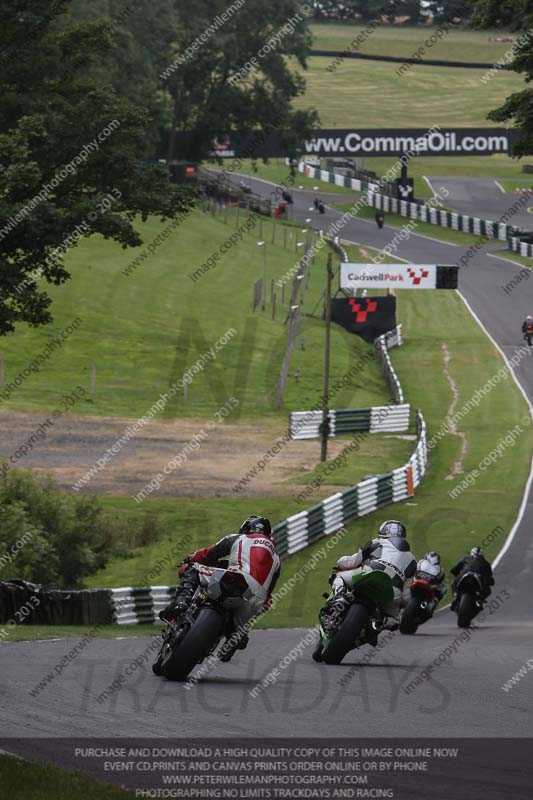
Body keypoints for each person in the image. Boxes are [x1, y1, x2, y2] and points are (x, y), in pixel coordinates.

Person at [159, 516, 280, 661]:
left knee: (192, 569)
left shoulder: (239, 538)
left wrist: (191, 558)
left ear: (246, 529)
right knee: (240, 626)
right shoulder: (276, 559)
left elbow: (208, 554)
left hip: (235, 579)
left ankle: (181, 602)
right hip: (255, 600)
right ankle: (235, 638)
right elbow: (270, 590)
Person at [331, 519, 417, 628]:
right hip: (393, 590)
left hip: (370, 573)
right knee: (394, 620)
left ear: (383, 531)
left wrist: (340, 563)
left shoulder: (376, 542)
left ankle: (339, 598)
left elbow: (353, 562)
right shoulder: (413, 560)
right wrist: (400, 604)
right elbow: (406, 596)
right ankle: (383, 621)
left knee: (339, 578)